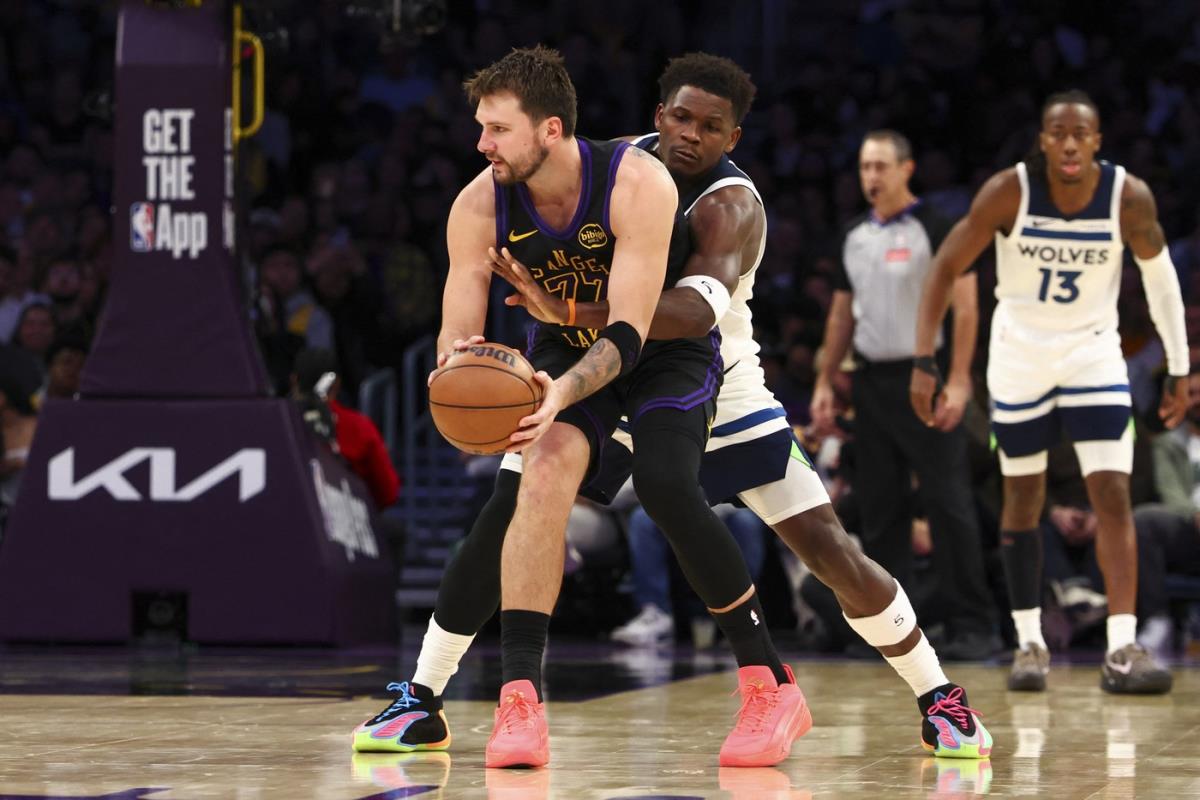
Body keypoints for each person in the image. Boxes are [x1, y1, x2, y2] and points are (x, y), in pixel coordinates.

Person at [354, 52, 991, 764]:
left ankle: (937, 694)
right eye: (680, 118)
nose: (691, 134)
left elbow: (689, 314)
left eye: (710, 127)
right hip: (600, 369)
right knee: (507, 511)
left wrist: (568, 310)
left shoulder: (729, 206)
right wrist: (463, 375)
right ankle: (425, 695)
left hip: (714, 371)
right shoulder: (597, 167)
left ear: (732, 137)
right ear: (659, 116)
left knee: (826, 547)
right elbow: (479, 317)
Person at [358, 46, 806, 770]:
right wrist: (459, 388)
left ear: (550, 129)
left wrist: (558, 393)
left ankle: (769, 683)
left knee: (664, 483)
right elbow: (458, 333)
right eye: (481, 127)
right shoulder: (478, 204)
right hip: (562, 350)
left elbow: (629, 332)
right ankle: (508, 701)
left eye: (498, 129)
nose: (482, 144)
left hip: (659, 352)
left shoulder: (637, 181)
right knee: (528, 487)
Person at [910, 90, 1188, 694]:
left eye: (1079, 133)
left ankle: (1122, 646)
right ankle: (1030, 640)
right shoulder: (1009, 191)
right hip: (1021, 355)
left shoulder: (1127, 196)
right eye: (1057, 132)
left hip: (1093, 352)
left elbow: (1161, 279)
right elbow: (946, 267)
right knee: (1023, 494)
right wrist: (925, 358)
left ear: (1096, 141)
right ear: (1042, 140)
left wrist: (1180, 363)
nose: (1068, 143)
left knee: (1112, 491)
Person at [810, 129, 998, 661]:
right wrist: (825, 378)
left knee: (948, 502)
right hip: (871, 382)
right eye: (865, 167)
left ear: (906, 169)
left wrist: (958, 379)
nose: (871, 177)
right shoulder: (853, 234)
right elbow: (841, 315)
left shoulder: (936, 227)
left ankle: (973, 623)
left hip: (926, 378)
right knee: (881, 509)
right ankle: (891, 630)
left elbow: (967, 306)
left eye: (881, 166)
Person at [292, 347, 400, 511]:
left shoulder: (278, 426)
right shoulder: (358, 427)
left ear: (294, 380)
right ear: (336, 383)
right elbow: (388, 493)